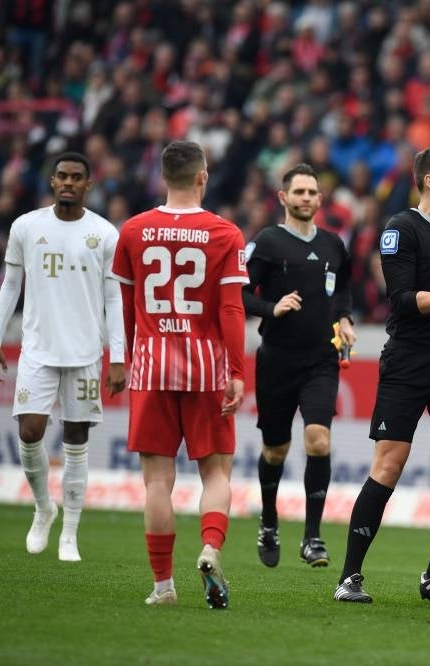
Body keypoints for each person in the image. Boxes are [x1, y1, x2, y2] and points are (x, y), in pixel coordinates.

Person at [334, 144, 430, 604]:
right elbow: (400, 300)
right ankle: (350, 576)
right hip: (407, 361)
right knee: (389, 464)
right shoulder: (400, 228)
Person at [111, 141, 248, 609]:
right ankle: (210, 548)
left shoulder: (132, 231)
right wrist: (237, 370)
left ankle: (163, 586)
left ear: (162, 177)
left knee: (156, 482)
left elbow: (125, 308)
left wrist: (126, 358)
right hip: (207, 366)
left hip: (151, 364)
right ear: (202, 177)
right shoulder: (225, 233)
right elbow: (231, 307)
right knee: (216, 472)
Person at [0, 152, 126, 562]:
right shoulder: (26, 226)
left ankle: (70, 533)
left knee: (76, 439)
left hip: (84, 351)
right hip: (37, 349)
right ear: (52, 181)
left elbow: (114, 298)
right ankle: (44, 507)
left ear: (88, 185)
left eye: (76, 177)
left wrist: (116, 356)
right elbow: (10, 284)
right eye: (62, 176)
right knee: (30, 432)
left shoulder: (104, 233)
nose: (68, 182)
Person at [243, 163, 356, 569]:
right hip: (276, 360)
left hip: (321, 360)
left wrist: (345, 320)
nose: (306, 198)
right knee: (275, 449)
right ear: (283, 198)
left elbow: (343, 289)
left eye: (312, 192)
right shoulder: (268, 242)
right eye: (300, 192)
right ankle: (269, 521)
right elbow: (239, 293)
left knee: (318, 441)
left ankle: (312, 537)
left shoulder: (333, 245)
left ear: (319, 199)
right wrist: (273, 307)